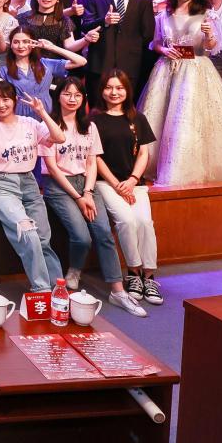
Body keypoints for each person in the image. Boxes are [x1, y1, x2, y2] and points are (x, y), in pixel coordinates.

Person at [41, 77, 147, 317]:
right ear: (58, 96)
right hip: (59, 186)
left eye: (77, 95)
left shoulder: (89, 126)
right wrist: (79, 197)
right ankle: (75, 269)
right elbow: (53, 168)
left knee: (104, 233)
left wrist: (88, 192)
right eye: (67, 94)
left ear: (83, 99)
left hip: (86, 184)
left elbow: (91, 162)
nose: (72, 99)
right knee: (82, 237)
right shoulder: (49, 125)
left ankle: (118, 291)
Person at [137, 0, 222, 186]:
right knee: (161, 116)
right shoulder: (164, 14)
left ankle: (184, 167)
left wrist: (209, 34)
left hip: (195, 70)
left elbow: (212, 47)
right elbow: (155, 42)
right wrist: (164, 50)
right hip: (166, 69)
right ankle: (155, 164)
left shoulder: (207, 14)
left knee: (188, 117)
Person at [0, 81, 65, 292]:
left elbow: (59, 137)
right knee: (28, 233)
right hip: (1, 184)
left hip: (29, 182)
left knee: (43, 239)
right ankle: (42, 290)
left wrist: (42, 112)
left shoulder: (30, 123)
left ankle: (58, 289)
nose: (1, 104)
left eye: (6, 99)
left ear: (14, 100)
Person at [92, 70, 163, 306]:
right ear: (102, 90)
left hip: (135, 184)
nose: (114, 92)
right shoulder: (94, 120)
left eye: (119, 88)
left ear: (127, 90)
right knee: (127, 221)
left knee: (145, 222)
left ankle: (149, 276)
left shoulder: (137, 118)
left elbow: (143, 153)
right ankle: (133, 272)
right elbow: (95, 158)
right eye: (109, 87)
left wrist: (132, 180)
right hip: (106, 184)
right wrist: (117, 185)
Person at [81, 0, 156, 104]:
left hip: (131, 65)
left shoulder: (143, 0)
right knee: (98, 108)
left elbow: (148, 33)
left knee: (128, 108)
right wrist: (104, 21)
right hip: (100, 63)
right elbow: (86, 26)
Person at [0, 26, 87, 116]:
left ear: (33, 43)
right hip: (19, 113)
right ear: (11, 45)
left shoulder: (45, 64)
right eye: (16, 42)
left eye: (25, 41)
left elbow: (81, 61)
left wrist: (52, 47)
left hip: (45, 111)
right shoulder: (5, 70)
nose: (20, 46)